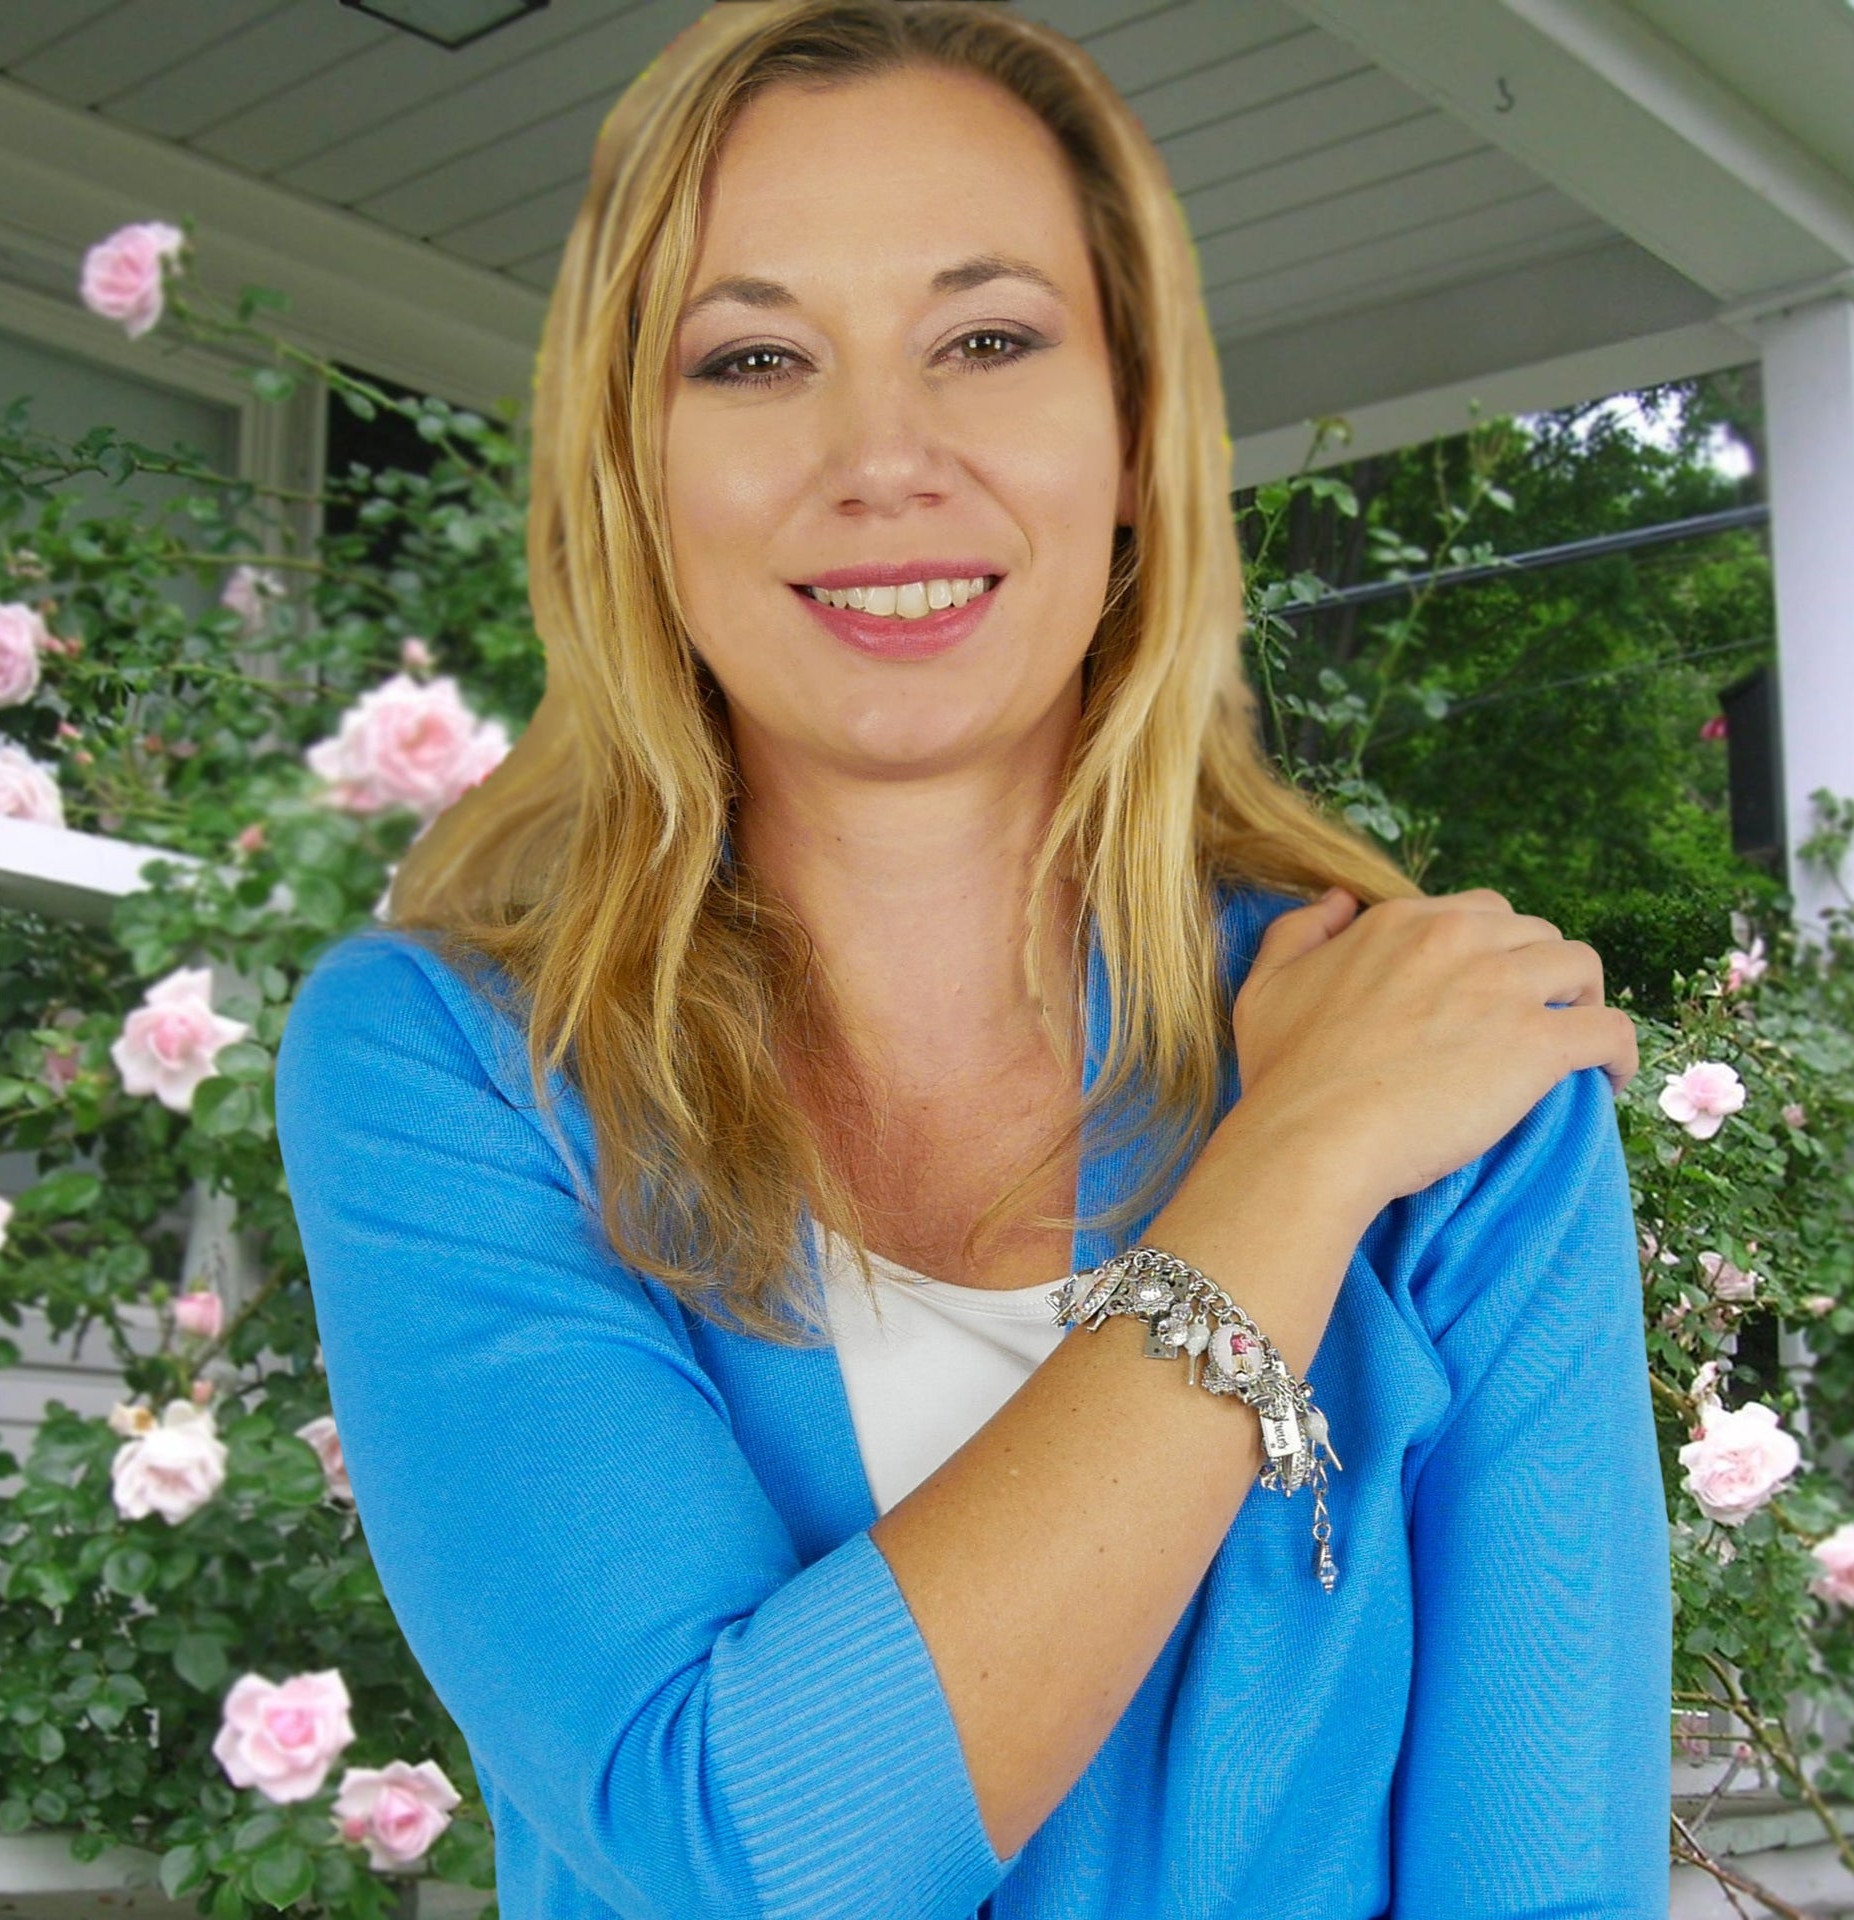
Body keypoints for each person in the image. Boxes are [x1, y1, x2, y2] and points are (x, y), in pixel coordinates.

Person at [273, 3, 1670, 1915]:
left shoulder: (1455, 1082)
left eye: (990, 339)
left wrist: (1357, 1119)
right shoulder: (450, 1065)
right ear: (635, 473)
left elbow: (1549, 1880)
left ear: (1133, 444)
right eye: (754, 357)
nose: (883, 457)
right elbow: (729, 1851)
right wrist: (1289, 1169)